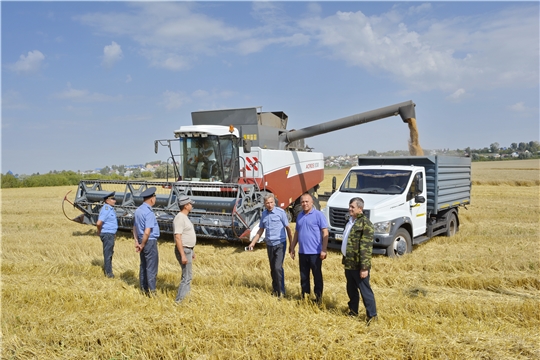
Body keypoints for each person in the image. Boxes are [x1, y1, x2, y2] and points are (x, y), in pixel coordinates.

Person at [341, 197, 377, 324]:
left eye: (352, 207)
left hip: (358, 265)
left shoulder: (365, 224)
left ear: (360, 209)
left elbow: (366, 248)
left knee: (365, 291)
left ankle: (372, 316)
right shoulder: (350, 221)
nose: (350, 209)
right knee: (351, 289)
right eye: (349, 206)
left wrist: (364, 268)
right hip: (349, 263)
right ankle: (353, 311)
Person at [248, 194, 292, 297]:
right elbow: (261, 230)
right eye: (267, 203)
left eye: (271, 202)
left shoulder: (281, 213)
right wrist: (253, 242)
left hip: (280, 243)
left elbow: (288, 229)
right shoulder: (264, 214)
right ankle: (275, 290)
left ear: (274, 202)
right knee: (273, 268)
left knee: (277, 267)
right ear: (264, 204)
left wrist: (291, 245)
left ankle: (281, 291)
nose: (270, 205)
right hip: (270, 244)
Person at [289, 193, 328, 303]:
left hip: (315, 253)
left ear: (312, 203)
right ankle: (305, 297)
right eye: (302, 202)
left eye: (307, 201)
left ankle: (318, 298)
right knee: (304, 276)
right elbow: (297, 233)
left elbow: (325, 232)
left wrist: (324, 249)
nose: (304, 204)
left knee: (317, 277)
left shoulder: (318, 215)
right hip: (303, 252)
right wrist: (292, 247)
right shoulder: (300, 216)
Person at [133, 187, 160, 296]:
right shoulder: (149, 213)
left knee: (143, 265)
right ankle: (152, 291)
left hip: (140, 239)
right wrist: (143, 244)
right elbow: (147, 231)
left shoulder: (138, 210)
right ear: (152, 199)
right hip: (149, 241)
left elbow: (134, 227)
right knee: (151, 266)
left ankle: (143, 289)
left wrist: (137, 242)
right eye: (155, 197)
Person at [173, 195, 197, 304]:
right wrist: (182, 254)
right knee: (186, 276)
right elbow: (178, 237)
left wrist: (192, 250)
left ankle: (186, 298)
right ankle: (180, 301)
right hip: (184, 250)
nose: (192, 205)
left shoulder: (184, 217)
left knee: (188, 275)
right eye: (190, 204)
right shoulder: (179, 218)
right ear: (186, 206)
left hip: (188, 250)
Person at [96, 191, 117, 278]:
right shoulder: (106, 209)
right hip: (107, 234)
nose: (115, 201)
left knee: (110, 253)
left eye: (114, 199)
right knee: (108, 253)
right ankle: (108, 273)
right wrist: (99, 231)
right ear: (107, 200)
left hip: (110, 234)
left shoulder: (110, 209)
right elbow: (99, 223)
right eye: (112, 199)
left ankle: (108, 271)